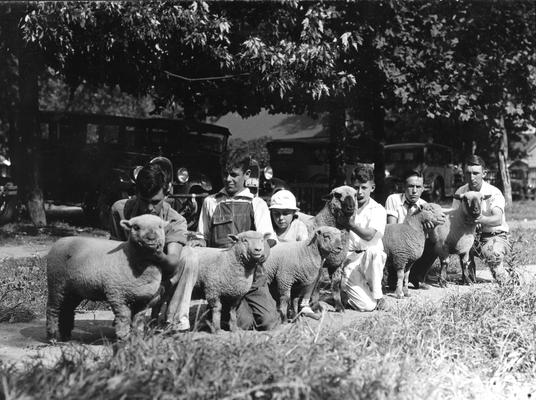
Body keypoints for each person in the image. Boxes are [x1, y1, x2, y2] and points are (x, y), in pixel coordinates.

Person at [109, 163, 195, 332]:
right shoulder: (120, 210)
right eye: (144, 200)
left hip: (160, 279)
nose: (149, 208)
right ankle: (125, 316)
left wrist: (155, 254)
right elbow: (112, 257)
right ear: (136, 193)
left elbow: (172, 262)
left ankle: (173, 323)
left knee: (189, 256)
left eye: (155, 202)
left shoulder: (175, 220)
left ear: (167, 194)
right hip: (127, 280)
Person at [197, 156, 279, 330]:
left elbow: (269, 239)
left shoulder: (256, 203)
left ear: (247, 174)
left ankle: (250, 307)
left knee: (269, 321)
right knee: (243, 323)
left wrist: (260, 253)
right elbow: (201, 236)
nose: (228, 179)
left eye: (234, 175)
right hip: (222, 280)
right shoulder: (211, 202)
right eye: (225, 174)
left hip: (253, 276)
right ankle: (218, 310)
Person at [452, 155, 510, 283]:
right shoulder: (461, 191)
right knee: (469, 281)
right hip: (469, 235)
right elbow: (454, 217)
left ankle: (509, 277)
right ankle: (468, 275)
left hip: (494, 235)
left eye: (475, 173)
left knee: (495, 262)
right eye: (468, 173)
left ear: (484, 173)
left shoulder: (493, 192)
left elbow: (497, 219)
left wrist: (479, 220)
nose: (471, 177)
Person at [339, 164, 387, 311]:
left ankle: (378, 296)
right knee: (367, 306)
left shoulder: (378, 209)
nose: (359, 192)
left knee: (374, 252)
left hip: (370, 260)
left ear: (372, 188)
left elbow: (369, 235)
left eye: (364, 188)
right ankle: (347, 292)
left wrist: (350, 224)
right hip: (350, 259)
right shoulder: (343, 207)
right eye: (356, 188)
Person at [386, 170, 441, 290]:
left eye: (418, 187)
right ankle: (394, 276)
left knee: (435, 244)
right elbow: (391, 229)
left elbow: (433, 238)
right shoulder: (393, 199)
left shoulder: (425, 206)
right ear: (403, 187)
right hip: (397, 246)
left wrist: (431, 229)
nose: (414, 191)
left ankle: (417, 277)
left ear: (423, 189)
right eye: (411, 186)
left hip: (415, 246)